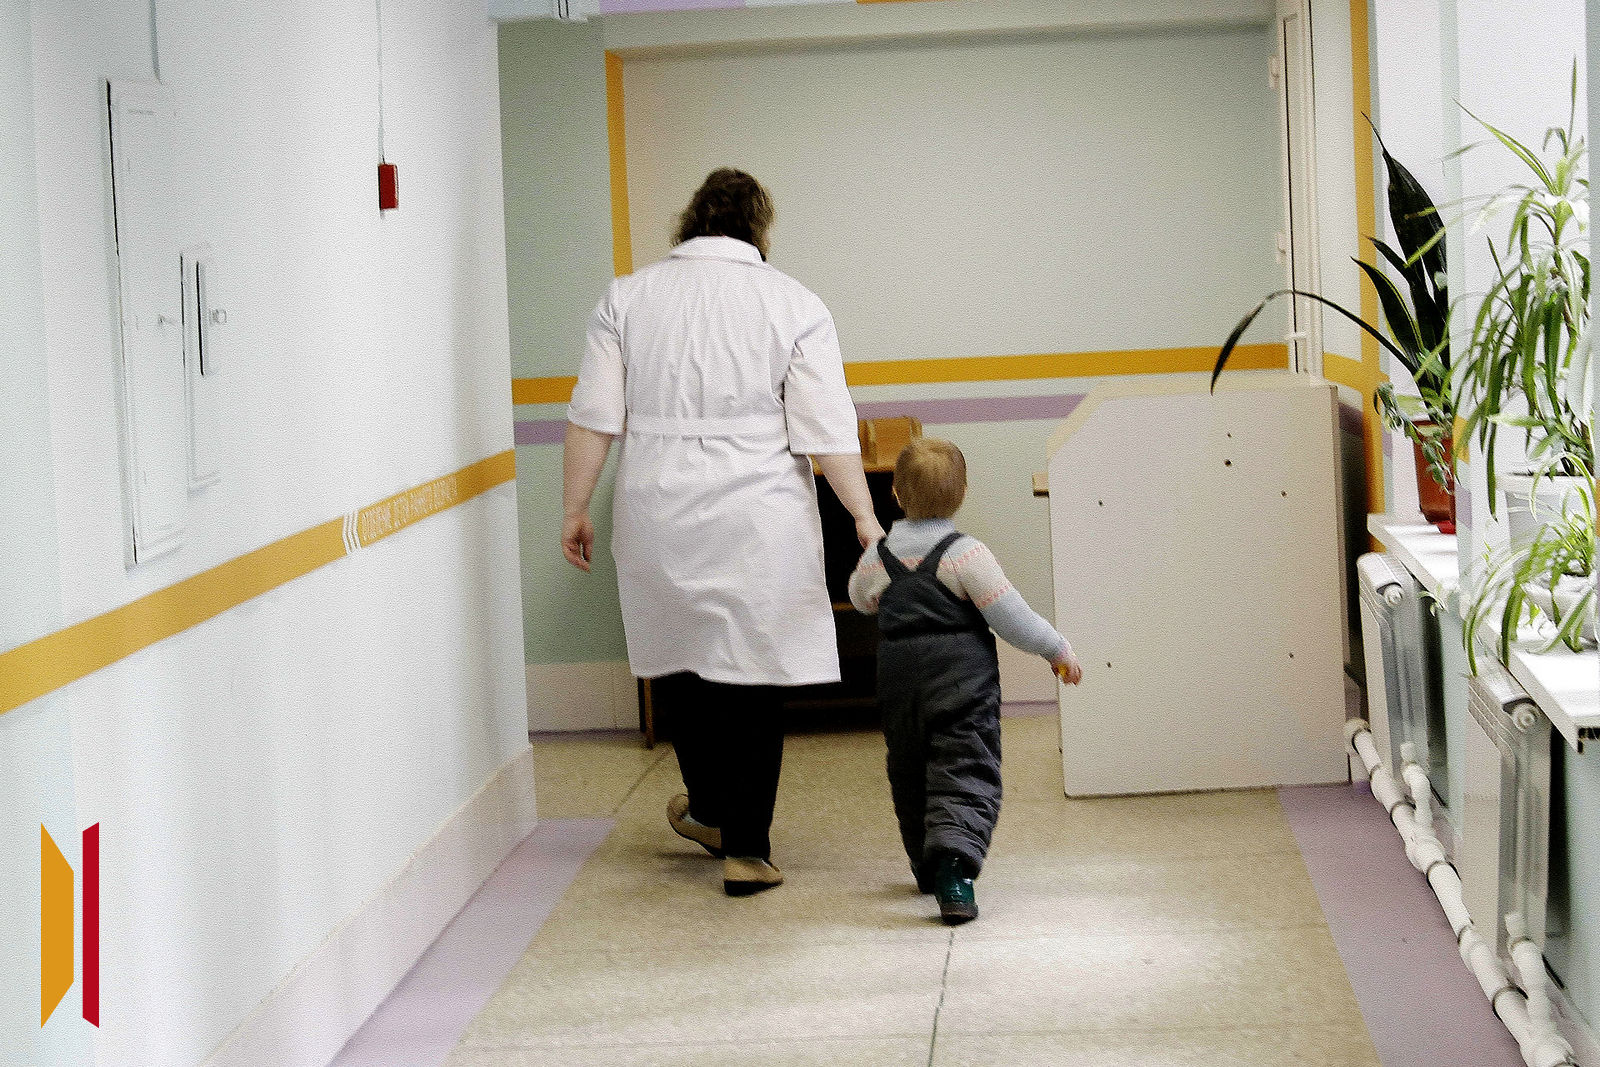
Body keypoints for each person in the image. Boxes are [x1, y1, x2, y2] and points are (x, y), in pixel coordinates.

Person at [561, 168, 884, 897]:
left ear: (690, 222)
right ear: (758, 229)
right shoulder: (794, 302)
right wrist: (864, 516)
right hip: (759, 508)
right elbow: (826, 427)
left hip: (658, 502)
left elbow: (594, 416)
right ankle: (746, 847)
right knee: (754, 669)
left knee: (678, 657)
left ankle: (708, 805)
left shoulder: (626, 297)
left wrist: (573, 506)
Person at [848, 438, 1082, 924]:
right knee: (964, 765)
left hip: (899, 683)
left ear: (895, 493)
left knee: (909, 768)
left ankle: (924, 861)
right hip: (961, 685)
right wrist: (1056, 649)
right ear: (963, 494)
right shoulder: (966, 555)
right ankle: (953, 868)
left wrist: (878, 567)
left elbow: (859, 599)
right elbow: (1011, 617)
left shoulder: (878, 556)